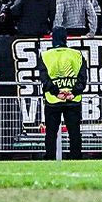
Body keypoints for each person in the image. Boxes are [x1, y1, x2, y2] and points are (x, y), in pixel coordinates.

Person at [37, 24, 86, 160]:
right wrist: (73, 93)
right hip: (73, 100)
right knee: (74, 132)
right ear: (66, 39)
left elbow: (44, 79)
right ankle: (76, 158)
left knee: (51, 133)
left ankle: (50, 158)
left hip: (53, 101)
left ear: (53, 39)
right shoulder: (77, 55)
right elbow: (83, 79)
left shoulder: (45, 55)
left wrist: (56, 92)